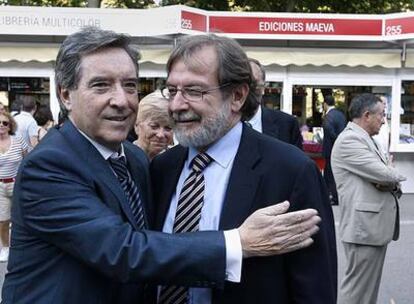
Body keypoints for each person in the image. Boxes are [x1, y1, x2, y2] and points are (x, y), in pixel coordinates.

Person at [2, 27, 322, 304]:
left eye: (129, 85)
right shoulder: (48, 166)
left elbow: (313, 285)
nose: (122, 100)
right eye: (101, 85)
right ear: (65, 95)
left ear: (237, 96)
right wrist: (239, 242)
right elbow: (125, 251)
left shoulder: (138, 161)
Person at [152, 34, 337, 304]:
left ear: (237, 96)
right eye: (172, 91)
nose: (176, 105)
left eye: (194, 91)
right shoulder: (162, 167)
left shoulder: (291, 172)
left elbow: (315, 289)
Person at [331, 93, 406, 304]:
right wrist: (391, 175)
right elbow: (385, 173)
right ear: (366, 115)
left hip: (370, 228)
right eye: (382, 115)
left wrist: (386, 176)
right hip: (363, 229)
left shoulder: (366, 139)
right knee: (357, 292)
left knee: (366, 292)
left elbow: (383, 175)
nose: (384, 120)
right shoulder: (350, 140)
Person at [247, 58, 303, 149]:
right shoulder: (222, 127)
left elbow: (298, 162)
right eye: (242, 84)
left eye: (254, 85)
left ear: (263, 88)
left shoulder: (287, 125)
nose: (247, 91)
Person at [0, 111, 29, 262]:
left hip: (17, 183)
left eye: (5, 123)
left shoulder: (18, 141)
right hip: (0, 186)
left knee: (21, 217)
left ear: (10, 125)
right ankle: (5, 247)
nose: (1, 125)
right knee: (3, 220)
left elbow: (29, 160)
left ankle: (24, 245)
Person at [134, 91, 173, 160]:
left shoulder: (177, 160)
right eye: (154, 127)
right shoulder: (123, 159)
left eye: (168, 128)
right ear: (137, 126)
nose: (160, 135)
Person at [322, 95, 346, 205]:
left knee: (329, 174)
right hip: (341, 149)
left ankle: (332, 197)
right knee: (335, 174)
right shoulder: (340, 114)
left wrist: (336, 140)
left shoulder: (328, 116)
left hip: (331, 149)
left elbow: (329, 131)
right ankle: (331, 195)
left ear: (325, 104)